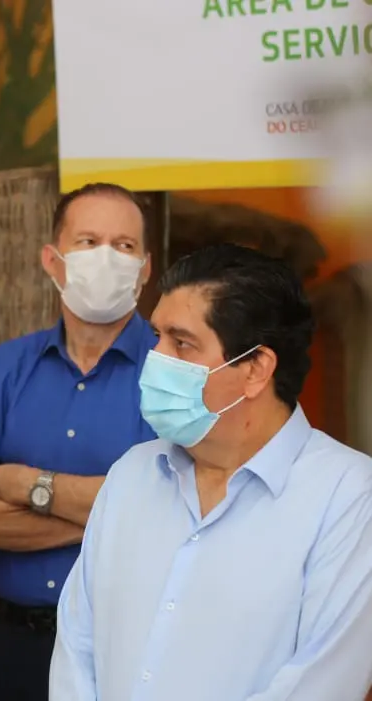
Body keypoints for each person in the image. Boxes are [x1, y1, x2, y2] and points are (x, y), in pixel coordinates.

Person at [50, 244, 372, 700]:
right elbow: (76, 648)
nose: (155, 358)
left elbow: (321, 682)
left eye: (181, 343)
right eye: (157, 336)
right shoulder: (131, 476)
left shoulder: (349, 497)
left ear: (256, 369)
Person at [0, 183, 157, 701]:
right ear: (53, 260)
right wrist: (117, 513)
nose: (106, 258)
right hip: (16, 646)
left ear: (145, 268)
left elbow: (178, 510)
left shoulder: (175, 375)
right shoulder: (2, 370)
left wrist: (27, 485)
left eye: (124, 246)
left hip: (137, 647)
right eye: (88, 242)